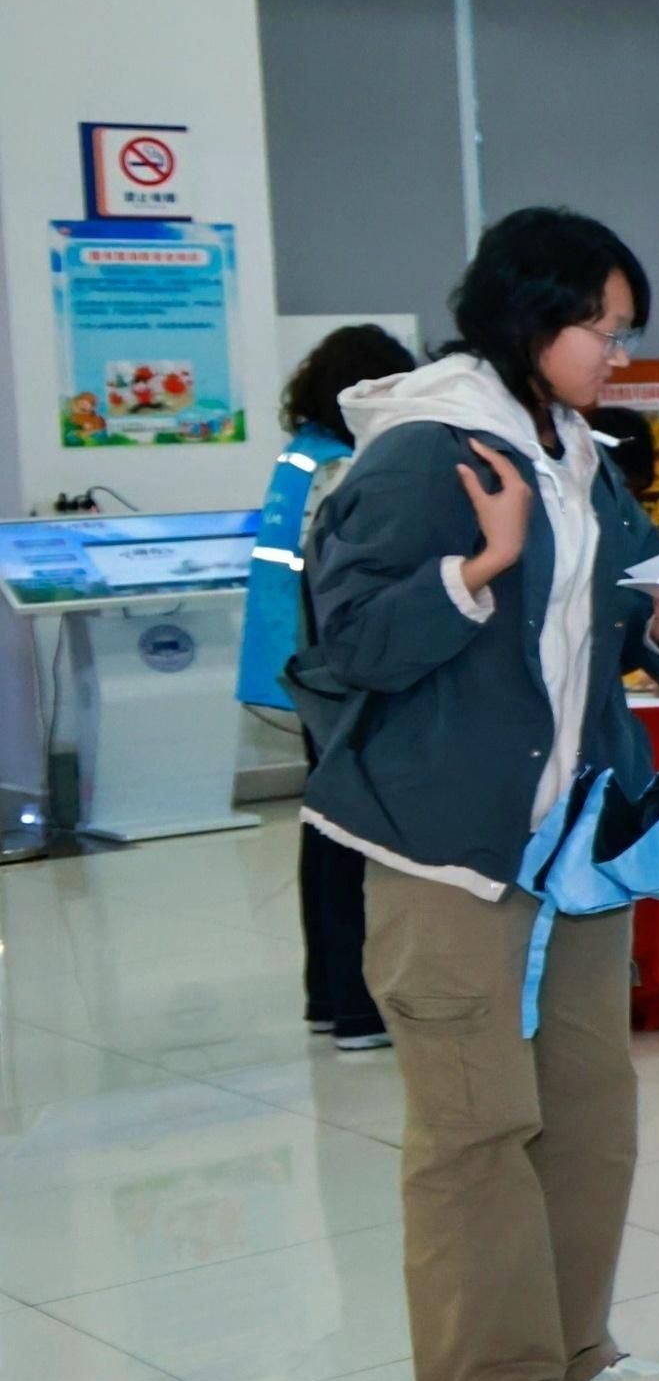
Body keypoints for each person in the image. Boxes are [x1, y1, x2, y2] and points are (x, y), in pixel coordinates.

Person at [293, 211, 659, 1381]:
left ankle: (571, 1345)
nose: (619, 354)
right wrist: (481, 567)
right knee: (475, 1123)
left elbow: (621, 619)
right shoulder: (428, 451)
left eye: (625, 331)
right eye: (602, 329)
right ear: (531, 319)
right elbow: (347, 642)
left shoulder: (578, 450)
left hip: (573, 842)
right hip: (450, 842)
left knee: (588, 1106)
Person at [242, 320, 417, 1050]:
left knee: (323, 829)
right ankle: (358, 1007)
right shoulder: (346, 466)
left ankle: (327, 996)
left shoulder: (302, 455)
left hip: (293, 659)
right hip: (333, 670)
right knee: (352, 834)